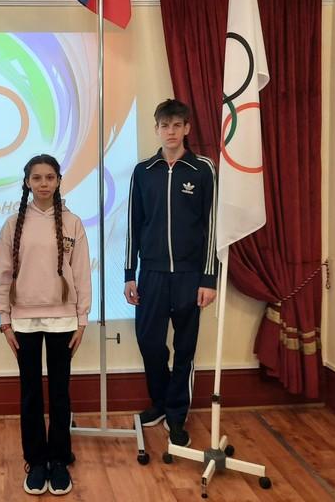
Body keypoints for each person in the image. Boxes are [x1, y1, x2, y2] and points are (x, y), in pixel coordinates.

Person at [0, 154, 91, 496]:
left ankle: (59, 459)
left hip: (64, 321)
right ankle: (36, 461)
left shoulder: (73, 223)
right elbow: (2, 273)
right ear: (27, 183)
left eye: (50, 177)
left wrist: (82, 320)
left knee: (60, 393)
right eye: (37, 178)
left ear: (59, 181)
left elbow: (82, 273)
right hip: (23, 322)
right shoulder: (12, 225)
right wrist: (5, 321)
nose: (44, 183)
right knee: (31, 392)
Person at [124, 99, 217, 448]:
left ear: (187, 128)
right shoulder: (143, 171)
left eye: (177, 125)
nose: (171, 132)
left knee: (185, 348)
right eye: (165, 126)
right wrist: (129, 273)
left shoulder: (203, 169)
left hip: (190, 276)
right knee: (150, 342)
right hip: (152, 273)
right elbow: (134, 224)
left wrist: (208, 278)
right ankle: (160, 402)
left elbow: (213, 226)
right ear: (157, 129)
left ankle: (177, 414)